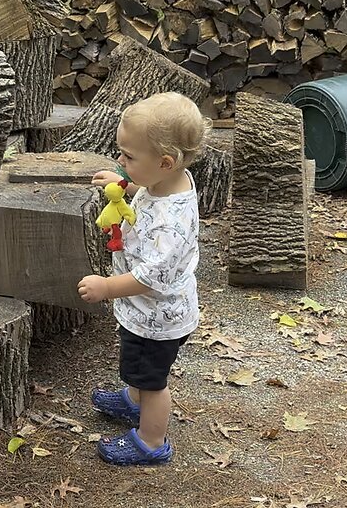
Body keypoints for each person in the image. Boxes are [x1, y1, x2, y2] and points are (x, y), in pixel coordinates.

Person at [76, 92, 208, 466]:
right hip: (147, 313)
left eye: (129, 157)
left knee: (153, 381)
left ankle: (151, 440)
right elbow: (152, 195)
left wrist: (106, 288)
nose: (121, 161)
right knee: (138, 367)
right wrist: (129, 185)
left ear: (165, 162)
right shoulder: (170, 181)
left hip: (157, 317)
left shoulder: (172, 225)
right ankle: (132, 400)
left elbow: (151, 278)